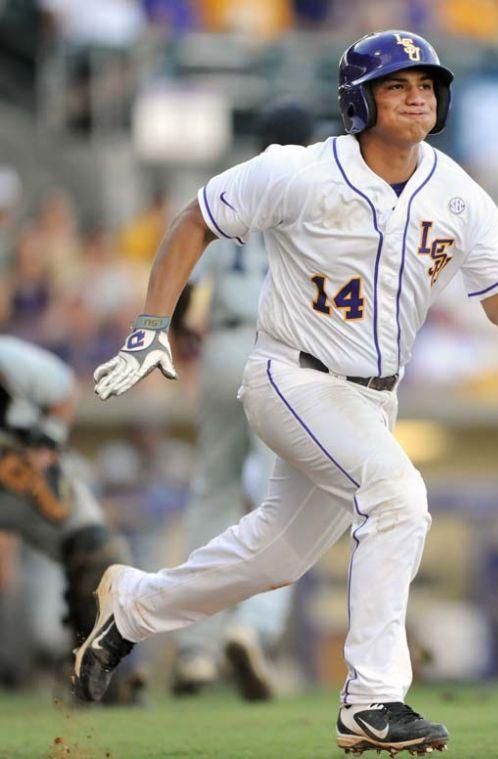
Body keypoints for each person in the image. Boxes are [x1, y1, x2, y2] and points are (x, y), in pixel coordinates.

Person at [73, 30, 498, 755]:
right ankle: (373, 698)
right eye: (397, 84)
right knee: (399, 496)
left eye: (427, 84)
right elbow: (195, 219)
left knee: (273, 558)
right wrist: (152, 323)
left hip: (371, 399)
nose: (418, 96)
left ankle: (131, 609)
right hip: (292, 375)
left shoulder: (455, 188)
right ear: (358, 100)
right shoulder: (299, 171)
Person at [169, 101, 316, 699]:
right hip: (282, 354)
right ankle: (253, 629)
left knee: (213, 492)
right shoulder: (317, 189)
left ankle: (194, 650)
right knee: (288, 499)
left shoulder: (227, 188)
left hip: (224, 342)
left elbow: (187, 295)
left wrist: (183, 340)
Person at [0, 335, 141, 703]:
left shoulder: (13, 361)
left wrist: (47, 444)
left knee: (98, 551)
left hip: (23, 490)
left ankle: (100, 676)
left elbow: (65, 391)